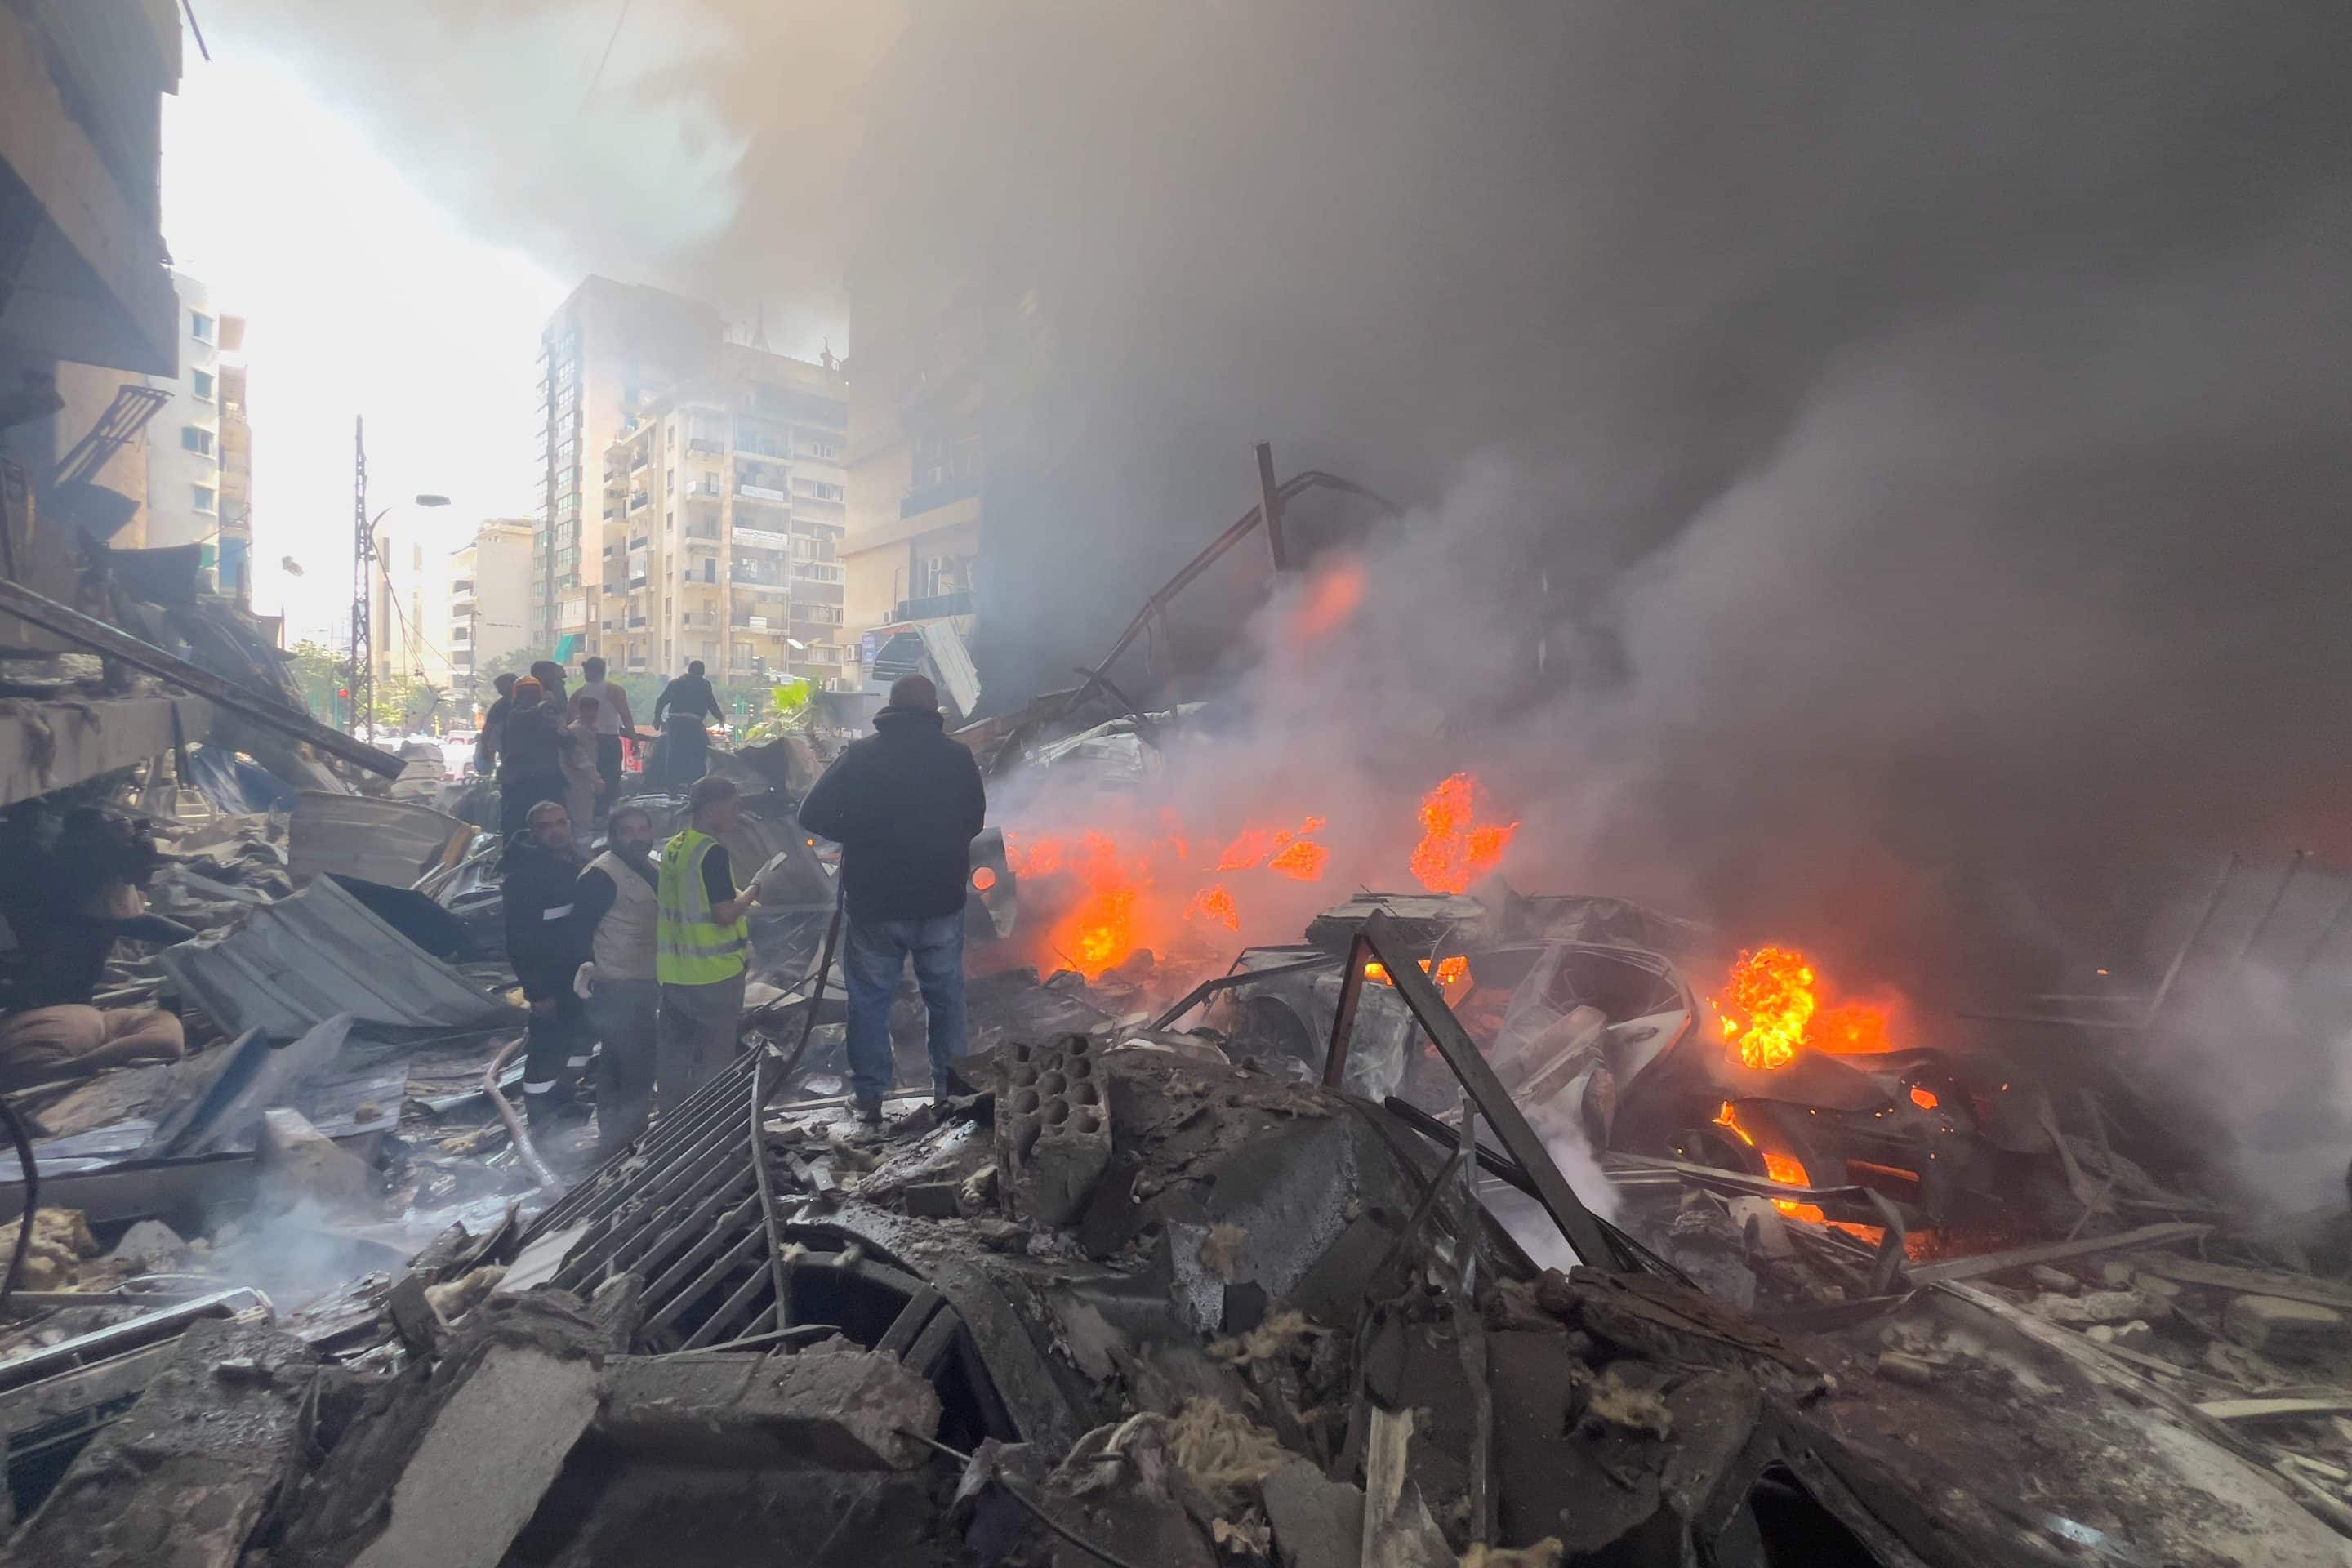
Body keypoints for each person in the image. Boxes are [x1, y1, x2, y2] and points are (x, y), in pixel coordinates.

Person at [797, 674, 985, 1124]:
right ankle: (950, 1094)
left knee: (869, 1001)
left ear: (891, 706)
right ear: (933, 708)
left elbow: (811, 813)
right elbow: (975, 821)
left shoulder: (861, 755)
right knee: (945, 1000)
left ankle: (869, 1098)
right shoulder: (957, 757)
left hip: (875, 903)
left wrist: (861, 833)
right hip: (940, 900)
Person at [656, 774, 760, 1099]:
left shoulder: (676, 846)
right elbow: (724, 914)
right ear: (712, 809)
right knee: (715, 1059)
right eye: (734, 806)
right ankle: (712, 1121)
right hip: (713, 975)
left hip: (675, 974)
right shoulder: (712, 853)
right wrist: (756, 887)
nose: (737, 813)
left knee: (676, 1055)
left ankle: (672, 1119)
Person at [572, 804, 661, 1154]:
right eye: (628, 831)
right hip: (616, 983)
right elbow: (579, 931)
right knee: (633, 1062)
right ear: (613, 837)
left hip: (646, 979)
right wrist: (589, 972)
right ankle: (624, 1136)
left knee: (619, 1059)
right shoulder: (600, 876)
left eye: (643, 829)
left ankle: (617, 1133)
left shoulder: (652, 867)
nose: (637, 838)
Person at [502, 798, 590, 1128]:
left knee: (578, 1042)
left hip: (578, 977)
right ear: (532, 832)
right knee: (548, 1049)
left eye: (561, 823)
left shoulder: (575, 862)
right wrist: (538, 993)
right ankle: (541, 1119)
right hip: (551, 983)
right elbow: (519, 942)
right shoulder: (524, 878)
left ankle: (565, 1101)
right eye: (545, 826)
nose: (556, 831)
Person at [497, 677, 568, 840]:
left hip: (547, 778)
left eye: (534, 693)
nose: (531, 696)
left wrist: (560, 727)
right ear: (518, 696)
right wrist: (546, 705)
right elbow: (530, 716)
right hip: (520, 780)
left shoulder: (547, 717)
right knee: (518, 823)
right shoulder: (515, 715)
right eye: (526, 693)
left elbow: (566, 741)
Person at [569, 656, 637, 817]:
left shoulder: (578, 694)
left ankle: (595, 815)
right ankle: (607, 815)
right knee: (611, 781)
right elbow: (625, 715)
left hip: (585, 741)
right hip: (608, 740)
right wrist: (633, 738)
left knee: (590, 781)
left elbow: (570, 721)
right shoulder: (615, 691)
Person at [652, 659, 724, 790]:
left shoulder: (675, 683)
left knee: (673, 753)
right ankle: (695, 783)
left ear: (689, 670)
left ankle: (672, 786)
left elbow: (661, 701)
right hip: (694, 724)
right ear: (702, 673)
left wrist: (657, 719)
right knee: (701, 752)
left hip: (675, 723)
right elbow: (712, 704)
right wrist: (721, 719)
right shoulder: (704, 685)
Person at [561, 696, 604, 840]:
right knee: (581, 821)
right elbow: (580, 758)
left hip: (585, 782)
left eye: (595, 710)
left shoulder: (590, 729)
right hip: (576, 782)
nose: (593, 714)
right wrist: (596, 779)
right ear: (581, 710)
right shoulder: (575, 731)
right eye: (589, 710)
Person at [474, 672, 519, 778]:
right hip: (508, 747)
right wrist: (486, 748)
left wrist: (485, 748)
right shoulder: (502, 704)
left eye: (500, 687)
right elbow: (488, 729)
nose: (499, 691)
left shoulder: (501, 705)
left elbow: (488, 729)